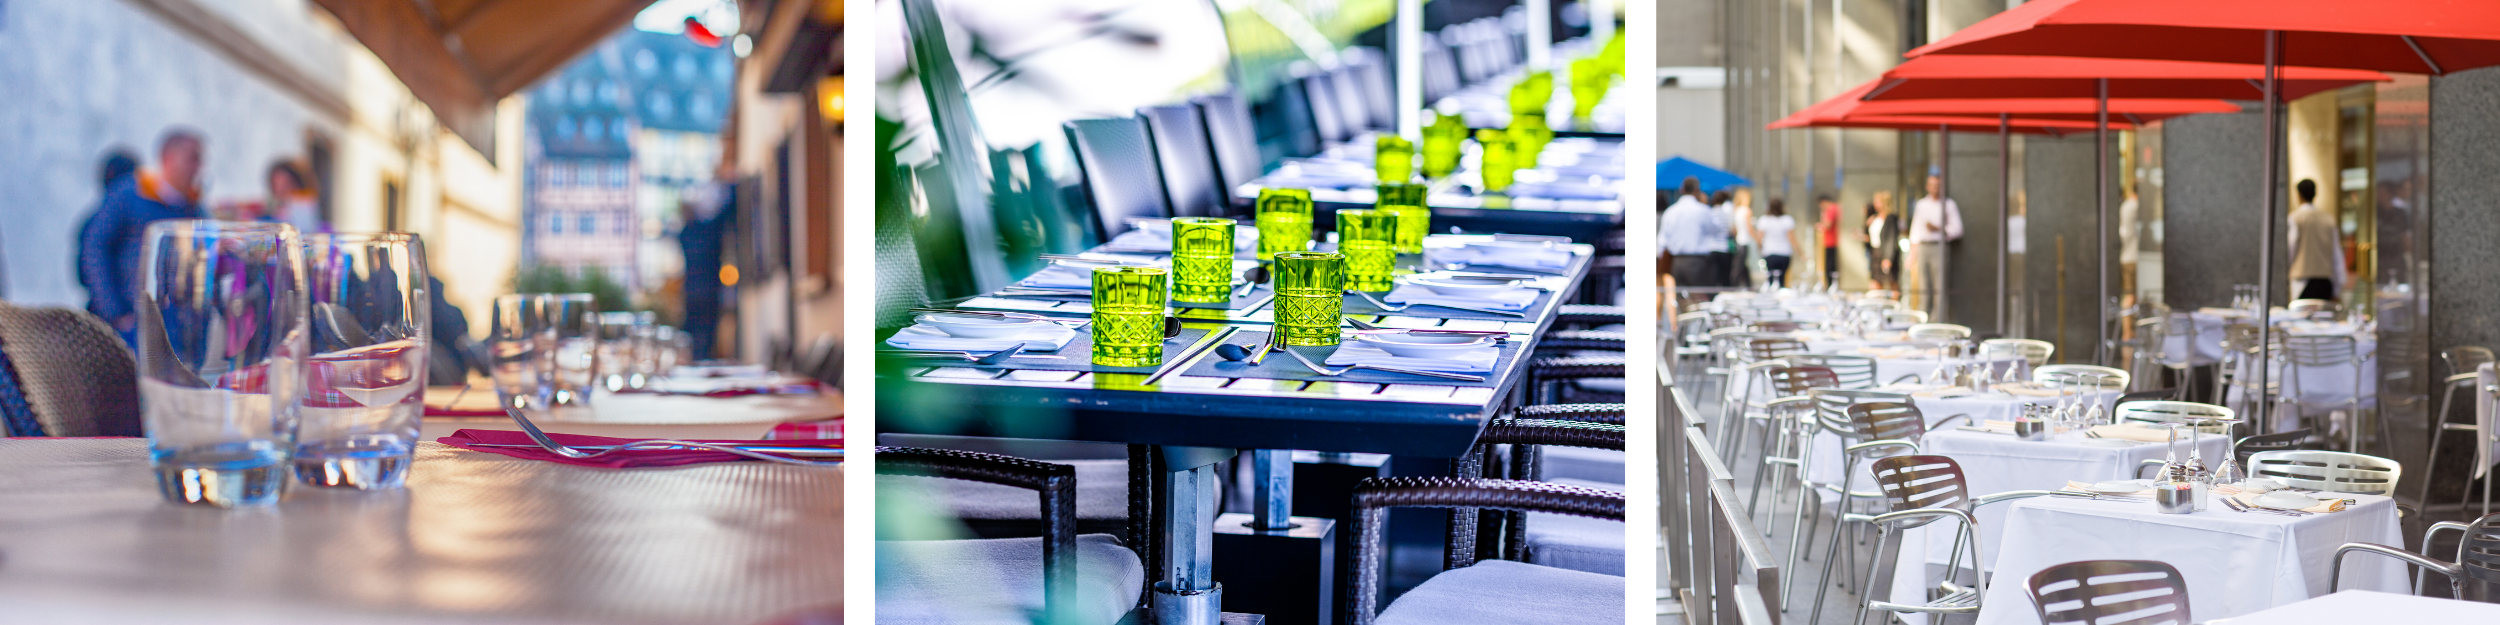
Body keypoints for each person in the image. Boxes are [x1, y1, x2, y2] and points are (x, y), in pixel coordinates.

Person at [82, 129, 209, 344]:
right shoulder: (129, 194)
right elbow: (95, 247)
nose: (198, 168)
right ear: (168, 158)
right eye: (193, 158)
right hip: (131, 325)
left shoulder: (195, 210)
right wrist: (115, 311)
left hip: (175, 329)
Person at [75, 149, 142, 319]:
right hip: (113, 316)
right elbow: (89, 265)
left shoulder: (95, 218)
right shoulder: (104, 220)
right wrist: (115, 312)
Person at [1909, 172, 1963, 317]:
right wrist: (1912, 254)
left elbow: (1958, 229)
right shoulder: (1921, 204)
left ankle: (1937, 319)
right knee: (1923, 285)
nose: (1934, 188)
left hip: (1939, 246)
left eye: (1937, 185)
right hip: (1923, 246)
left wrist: (1938, 228)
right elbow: (1915, 230)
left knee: (1939, 285)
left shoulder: (1949, 204)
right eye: (1932, 185)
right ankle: (1922, 317)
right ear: (1927, 186)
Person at [1661, 177, 1726, 288]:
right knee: (1701, 299)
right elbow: (1716, 230)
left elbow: (1662, 240)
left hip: (1677, 262)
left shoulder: (1670, 211)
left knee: (1682, 299)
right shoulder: (1702, 210)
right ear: (1697, 190)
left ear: (1682, 190)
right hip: (1698, 262)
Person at [2288, 179, 2343, 301]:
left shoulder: (2294, 219)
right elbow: (2336, 254)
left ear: (2298, 195)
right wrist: (2338, 286)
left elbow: (2290, 251)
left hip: (2301, 281)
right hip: (2326, 281)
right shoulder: (2329, 220)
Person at [265, 159, 326, 234]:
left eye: (287, 184)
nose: (281, 191)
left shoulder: (305, 209)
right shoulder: (268, 219)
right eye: (276, 185)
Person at [1755, 198, 1797, 287]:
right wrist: (1801, 253)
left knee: (1770, 280)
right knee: (1782, 280)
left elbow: (1759, 239)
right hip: (1784, 253)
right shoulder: (1787, 219)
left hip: (1770, 252)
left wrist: (1760, 249)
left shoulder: (1764, 220)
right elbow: (1792, 238)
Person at [1865, 190, 1902, 291]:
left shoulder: (1891, 217)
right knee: (1876, 281)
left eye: (1878, 201)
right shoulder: (1875, 217)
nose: (1875, 204)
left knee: (1891, 281)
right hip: (1875, 252)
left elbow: (1891, 238)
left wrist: (1888, 258)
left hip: (1885, 252)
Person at [1817, 194, 1842, 288]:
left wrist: (1820, 225)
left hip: (1831, 241)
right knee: (1830, 266)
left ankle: (1830, 286)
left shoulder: (1831, 209)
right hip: (1830, 241)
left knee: (1830, 266)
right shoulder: (1835, 208)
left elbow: (1828, 224)